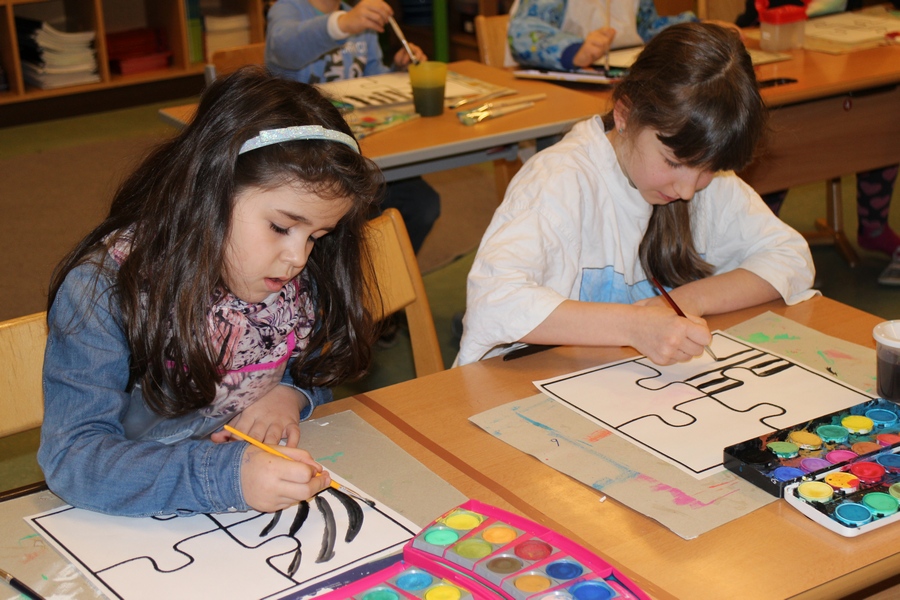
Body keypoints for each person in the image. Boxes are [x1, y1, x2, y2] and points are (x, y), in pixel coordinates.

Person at [38, 66, 383, 517]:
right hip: (130, 516)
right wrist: (227, 476)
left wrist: (290, 394)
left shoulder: (287, 277)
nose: (298, 257)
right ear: (209, 191)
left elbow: (312, 366)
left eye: (317, 236)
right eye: (281, 227)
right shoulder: (102, 292)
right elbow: (74, 457)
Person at [458, 23, 817, 366]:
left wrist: (687, 300)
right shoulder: (559, 182)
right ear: (625, 114)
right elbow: (493, 302)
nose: (687, 190)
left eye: (707, 169)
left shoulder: (703, 178)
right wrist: (633, 325)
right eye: (673, 162)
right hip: (513, 388)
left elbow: (791, 257)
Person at [737, 0, 900, 284]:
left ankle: (874, 227)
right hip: (776, 43)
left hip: (841, 44)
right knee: (782, 135)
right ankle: (762, 246)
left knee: (880, 114)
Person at [265, 0, 440, 255]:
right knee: (351, 219)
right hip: (305, 160)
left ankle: (384, 272)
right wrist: (343, 24)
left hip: (360, 152)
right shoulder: (287, 9)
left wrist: (398, 70)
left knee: (423, 204)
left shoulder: (360, 18)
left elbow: (372, 82)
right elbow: (284, 49)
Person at [507, 0, 698, 71]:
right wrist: (574, 51)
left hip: (615, 80)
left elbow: (646, 27)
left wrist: (694, 26)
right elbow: (523, 33)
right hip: (561, 88)